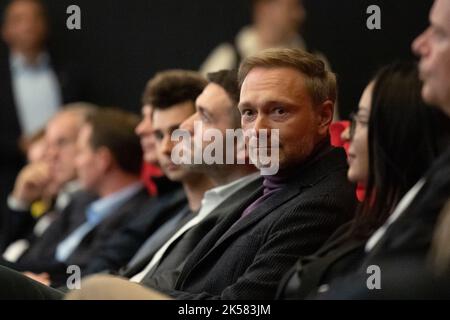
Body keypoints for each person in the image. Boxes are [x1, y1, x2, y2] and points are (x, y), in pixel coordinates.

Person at [67, 48, 357, 300]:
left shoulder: (323, 200)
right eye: (248, 113)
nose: (257, 131)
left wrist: (133, 295)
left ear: (323, 116)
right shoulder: (272, 182)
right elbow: (186, 274)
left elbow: (244, 307)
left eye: (278, 111)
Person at [308, 0, 450, 299]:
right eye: (248, 112)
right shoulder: (437, 176)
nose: (418, 43)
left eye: (440, 34)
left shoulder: (324, 204)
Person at [277, 61, 448, 299]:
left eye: (362, 121)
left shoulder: (417, 241)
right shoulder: (365, 223)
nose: (346, 132)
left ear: (399, 134)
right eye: (248, 112)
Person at [1, 108, 150, 286]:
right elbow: (38, 256)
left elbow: (92, 275)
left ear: (102, 159)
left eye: (80, 151)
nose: (50, 155)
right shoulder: (80, 201)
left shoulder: (142, 212)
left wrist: (25, 279)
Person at [0, 0, 84, 228]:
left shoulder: (68, 73)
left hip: (65, 183)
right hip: (9, 177)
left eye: (34, 18)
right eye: (19, 19)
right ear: (5, 30)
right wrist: (19, 145)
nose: (28, 25)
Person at [1, 104, 96, 252]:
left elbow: (61, 268)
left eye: (62, 142)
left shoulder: (93, 203)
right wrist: (20, 201)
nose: (51, 156)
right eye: (49, 145)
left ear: (88, 141)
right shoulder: (53, 205)